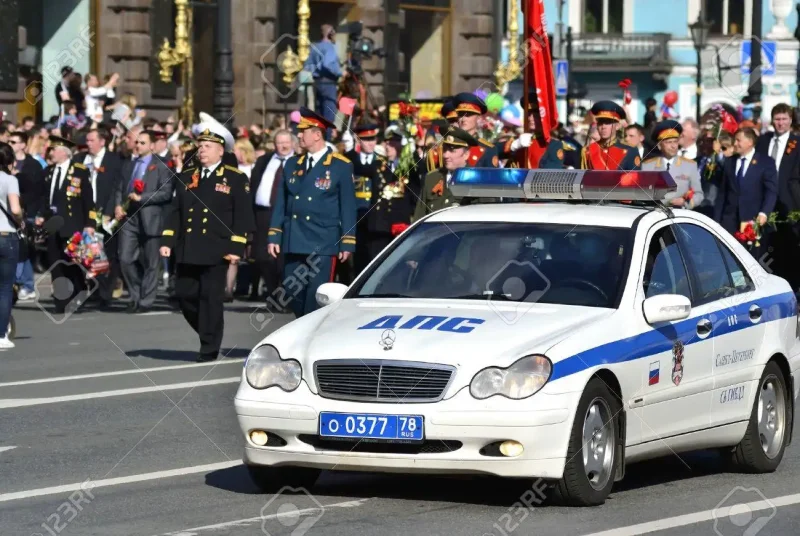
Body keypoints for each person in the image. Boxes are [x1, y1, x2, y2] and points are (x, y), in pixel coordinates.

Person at [160, 129, 254, 362]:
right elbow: (176, 211)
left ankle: (209, 346)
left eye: (207, 146)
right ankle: (208, 331)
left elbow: (242, 216)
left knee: (210, 299)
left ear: (220, 151)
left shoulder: (234, 178)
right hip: (188, 247)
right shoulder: (186, 176)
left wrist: (236, 248)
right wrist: (167, 240)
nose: (201, 150)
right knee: (184, 294)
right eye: (200, 146)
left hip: (217, 249)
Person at [267, 107, 356, 317]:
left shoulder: (340, 166)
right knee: (291, 291)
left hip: (323, 240)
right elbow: (282, 201)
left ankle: (309, 340)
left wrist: (347, 240)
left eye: (303, 131)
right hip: (294, 237)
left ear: (317, 135)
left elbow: (348, 206)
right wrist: (274, 234)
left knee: (316, 296)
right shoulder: (292, 164)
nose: (298, 135)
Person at [35, 136, 96, 314]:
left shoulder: (79, 171)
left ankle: (78, 293)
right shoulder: (48, 171)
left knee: (73, 263)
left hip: (73, 224)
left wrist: (90, 223)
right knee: (56, 263)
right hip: (53, 224)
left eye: (54, 149)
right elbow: (45, 198)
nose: (51, 153)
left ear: (63, 152)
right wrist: (41, 216)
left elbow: (88, 200)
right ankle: (61, 301)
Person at [115, 130, 173, 313]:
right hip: (129, 218)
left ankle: (145, 301)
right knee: (125, 258)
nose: (138, 146)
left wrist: (143, 198)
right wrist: (117, 206)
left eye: (142, 143)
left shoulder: (162, 166)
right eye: (137, 142)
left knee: (151, 262)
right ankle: (135, 294)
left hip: (150, 218)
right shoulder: (128, 165)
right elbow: (119, 188)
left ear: (152, 146)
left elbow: (165, 192)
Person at [756, 103, 800, 291]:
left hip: (789, 203)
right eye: (777, 119)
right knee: (765, 247)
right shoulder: (764, 140)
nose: (780, 123)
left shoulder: (796, 143)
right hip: (765, 202)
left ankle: (792, 287)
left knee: (788, 248)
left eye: (784, 119)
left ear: (791, 121)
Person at [79, 127, 124, 309]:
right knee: (89, 254)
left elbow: (116, 187)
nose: (88, 143)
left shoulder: (114, 160)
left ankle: (106, 293)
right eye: (87, 140)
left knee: (108, 255)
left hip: (106, 214)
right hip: (88, 214)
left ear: (102, 141)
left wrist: (109, 211)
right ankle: (95, 290)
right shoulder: (81, 159)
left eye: (91, 140)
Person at [250, 129, 295, 306]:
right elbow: (253, 187)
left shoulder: (299, 162)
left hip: (287, 216)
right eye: (279, 142)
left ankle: (284, 297)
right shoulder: (264, 161)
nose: (283, 146)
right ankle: (272, 293)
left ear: (292, 143)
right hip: (263, 214)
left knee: (283, 258)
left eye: (286, 142)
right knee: (263, 257)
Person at [714, 128, 778, 237]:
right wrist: (716, 221)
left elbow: (771, 192)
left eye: (738, 140)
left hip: (752, 221)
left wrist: (764, 213)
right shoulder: (730, 161)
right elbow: (723, 194)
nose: (735, 143)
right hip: (729, 223)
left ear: (750, 142)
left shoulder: (765, 162)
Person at [412, 128, 479, 221]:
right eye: (444, 150)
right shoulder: (432, 178)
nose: (445, 155)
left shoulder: (477, 180)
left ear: (466, 154)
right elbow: (419, 217)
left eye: (452, 151)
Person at [642, 120, 704, 209]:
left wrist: (685, 203)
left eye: (675, 141)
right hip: (654, 215)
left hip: (680, 215)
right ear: (659, 145)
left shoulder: (690, 166)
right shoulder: (648, 166)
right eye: (668, 142)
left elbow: (699, 194)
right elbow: (642, 194)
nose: (673, 146)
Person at [0, 142, 22, 349]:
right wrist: (21, 220)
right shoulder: (9, 179)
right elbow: (15, 209)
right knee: (5, 287)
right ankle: (1, 335)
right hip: (5, 235)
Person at [581, 101, 641, 170]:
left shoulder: (630, 150)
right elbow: (584, 179)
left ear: (618, 126)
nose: (603, 126)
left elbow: (634, 178)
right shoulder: (587, 151)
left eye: (608, 122)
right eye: (600, 122)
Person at [303, 24, 342, 129]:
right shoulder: (330, 47)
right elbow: (327, 64)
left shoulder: (314, 46)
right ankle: (327, 138)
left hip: (318, 82)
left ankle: (320, 134)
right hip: (328, 82)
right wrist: (339, 73)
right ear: (330, 34)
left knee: (319, 111)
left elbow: (307, 65)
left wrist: (316, 70)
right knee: (329, 112)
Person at [450, 93, 499, 167]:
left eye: (468, 115)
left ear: (478, 118)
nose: (463, 119)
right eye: (461, 115)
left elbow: (491, 177)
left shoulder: (488, 149)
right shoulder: (448, 144)